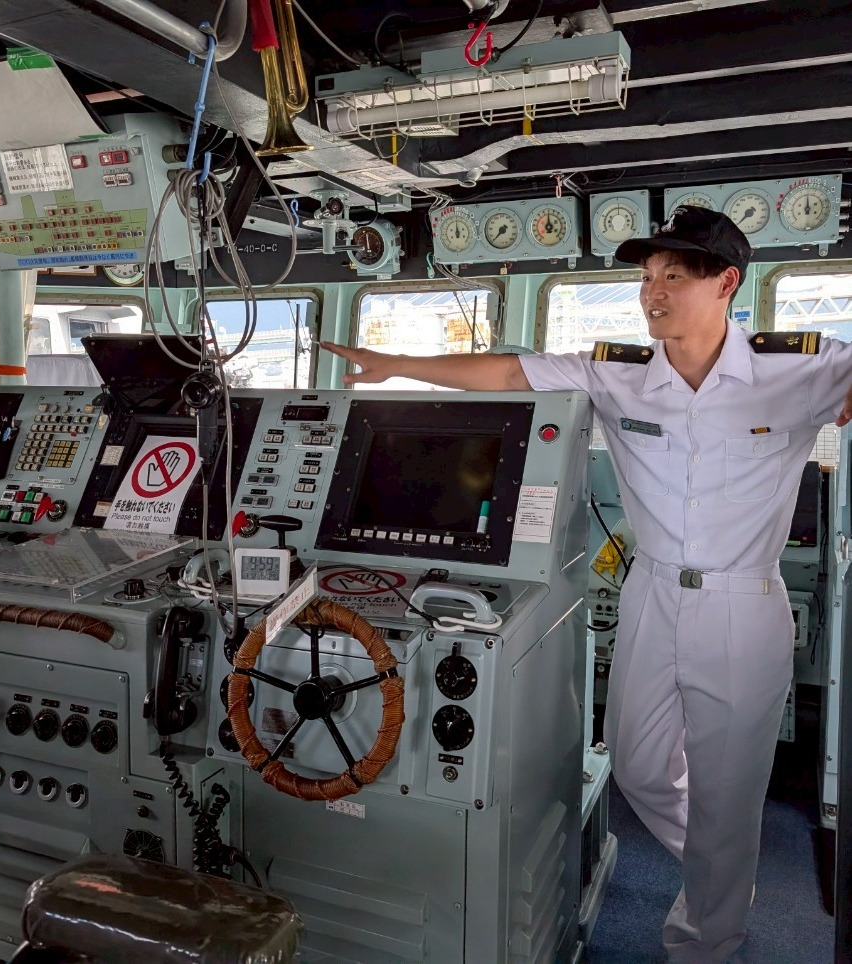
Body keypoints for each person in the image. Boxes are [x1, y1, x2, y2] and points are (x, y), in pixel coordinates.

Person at [321, 205, 852, 963]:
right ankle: (720, 868)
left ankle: (708, 935)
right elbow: (507, 370)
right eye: (646, 277)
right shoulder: (619, 373)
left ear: (726, 282)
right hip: (650, 593)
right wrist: (396, 366)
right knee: (636, 766)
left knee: (731, 795)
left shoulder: (795, 367)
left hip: (742, 601)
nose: (653, 291)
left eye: (674, 274)